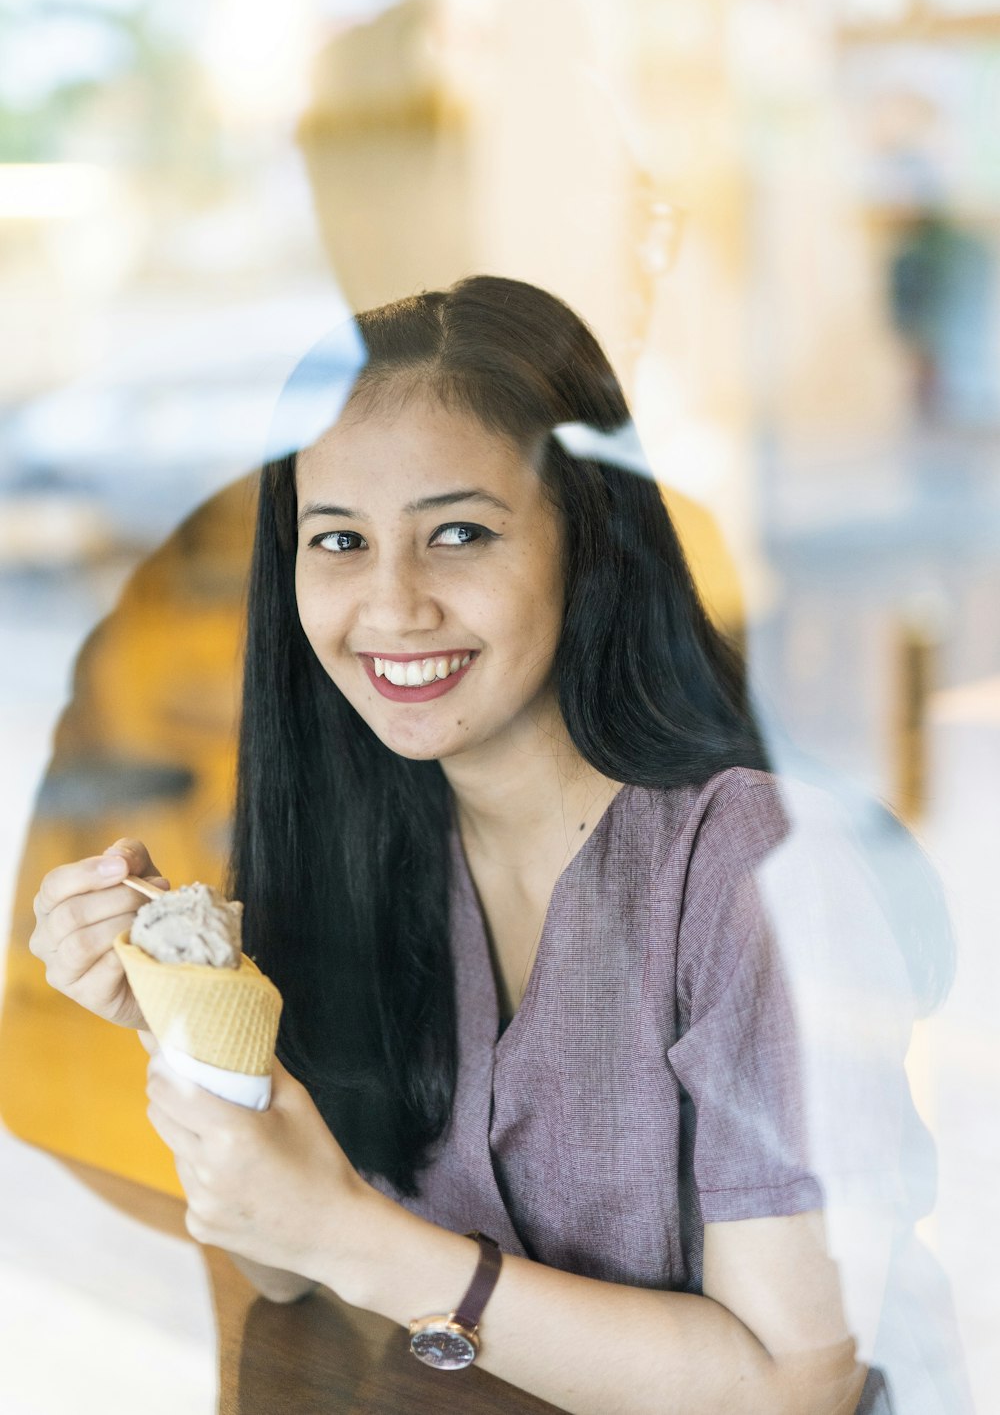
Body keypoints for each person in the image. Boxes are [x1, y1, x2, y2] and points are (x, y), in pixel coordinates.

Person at [31, 276, 940, 1414]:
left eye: (458, 532)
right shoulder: (354, 838)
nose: (392, 605)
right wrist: (186, 1031)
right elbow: (283, 1268)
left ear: (588, 537)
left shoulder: (748, 868)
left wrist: (357, 1239)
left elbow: (793, 1383)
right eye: (339, 541)